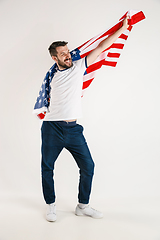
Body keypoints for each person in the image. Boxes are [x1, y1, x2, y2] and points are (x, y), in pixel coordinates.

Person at [41, 17, 129, 222]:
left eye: (68, 51)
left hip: (73, 130)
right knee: (47, 167)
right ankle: (51, 206)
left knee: (88, 166)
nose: (68, 55)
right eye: (62, 54)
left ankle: (83, 205)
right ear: (55, 58)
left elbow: (101, 46)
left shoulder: (79, 66)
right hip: (51, 128)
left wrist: (122, 28)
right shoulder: (51, 76)